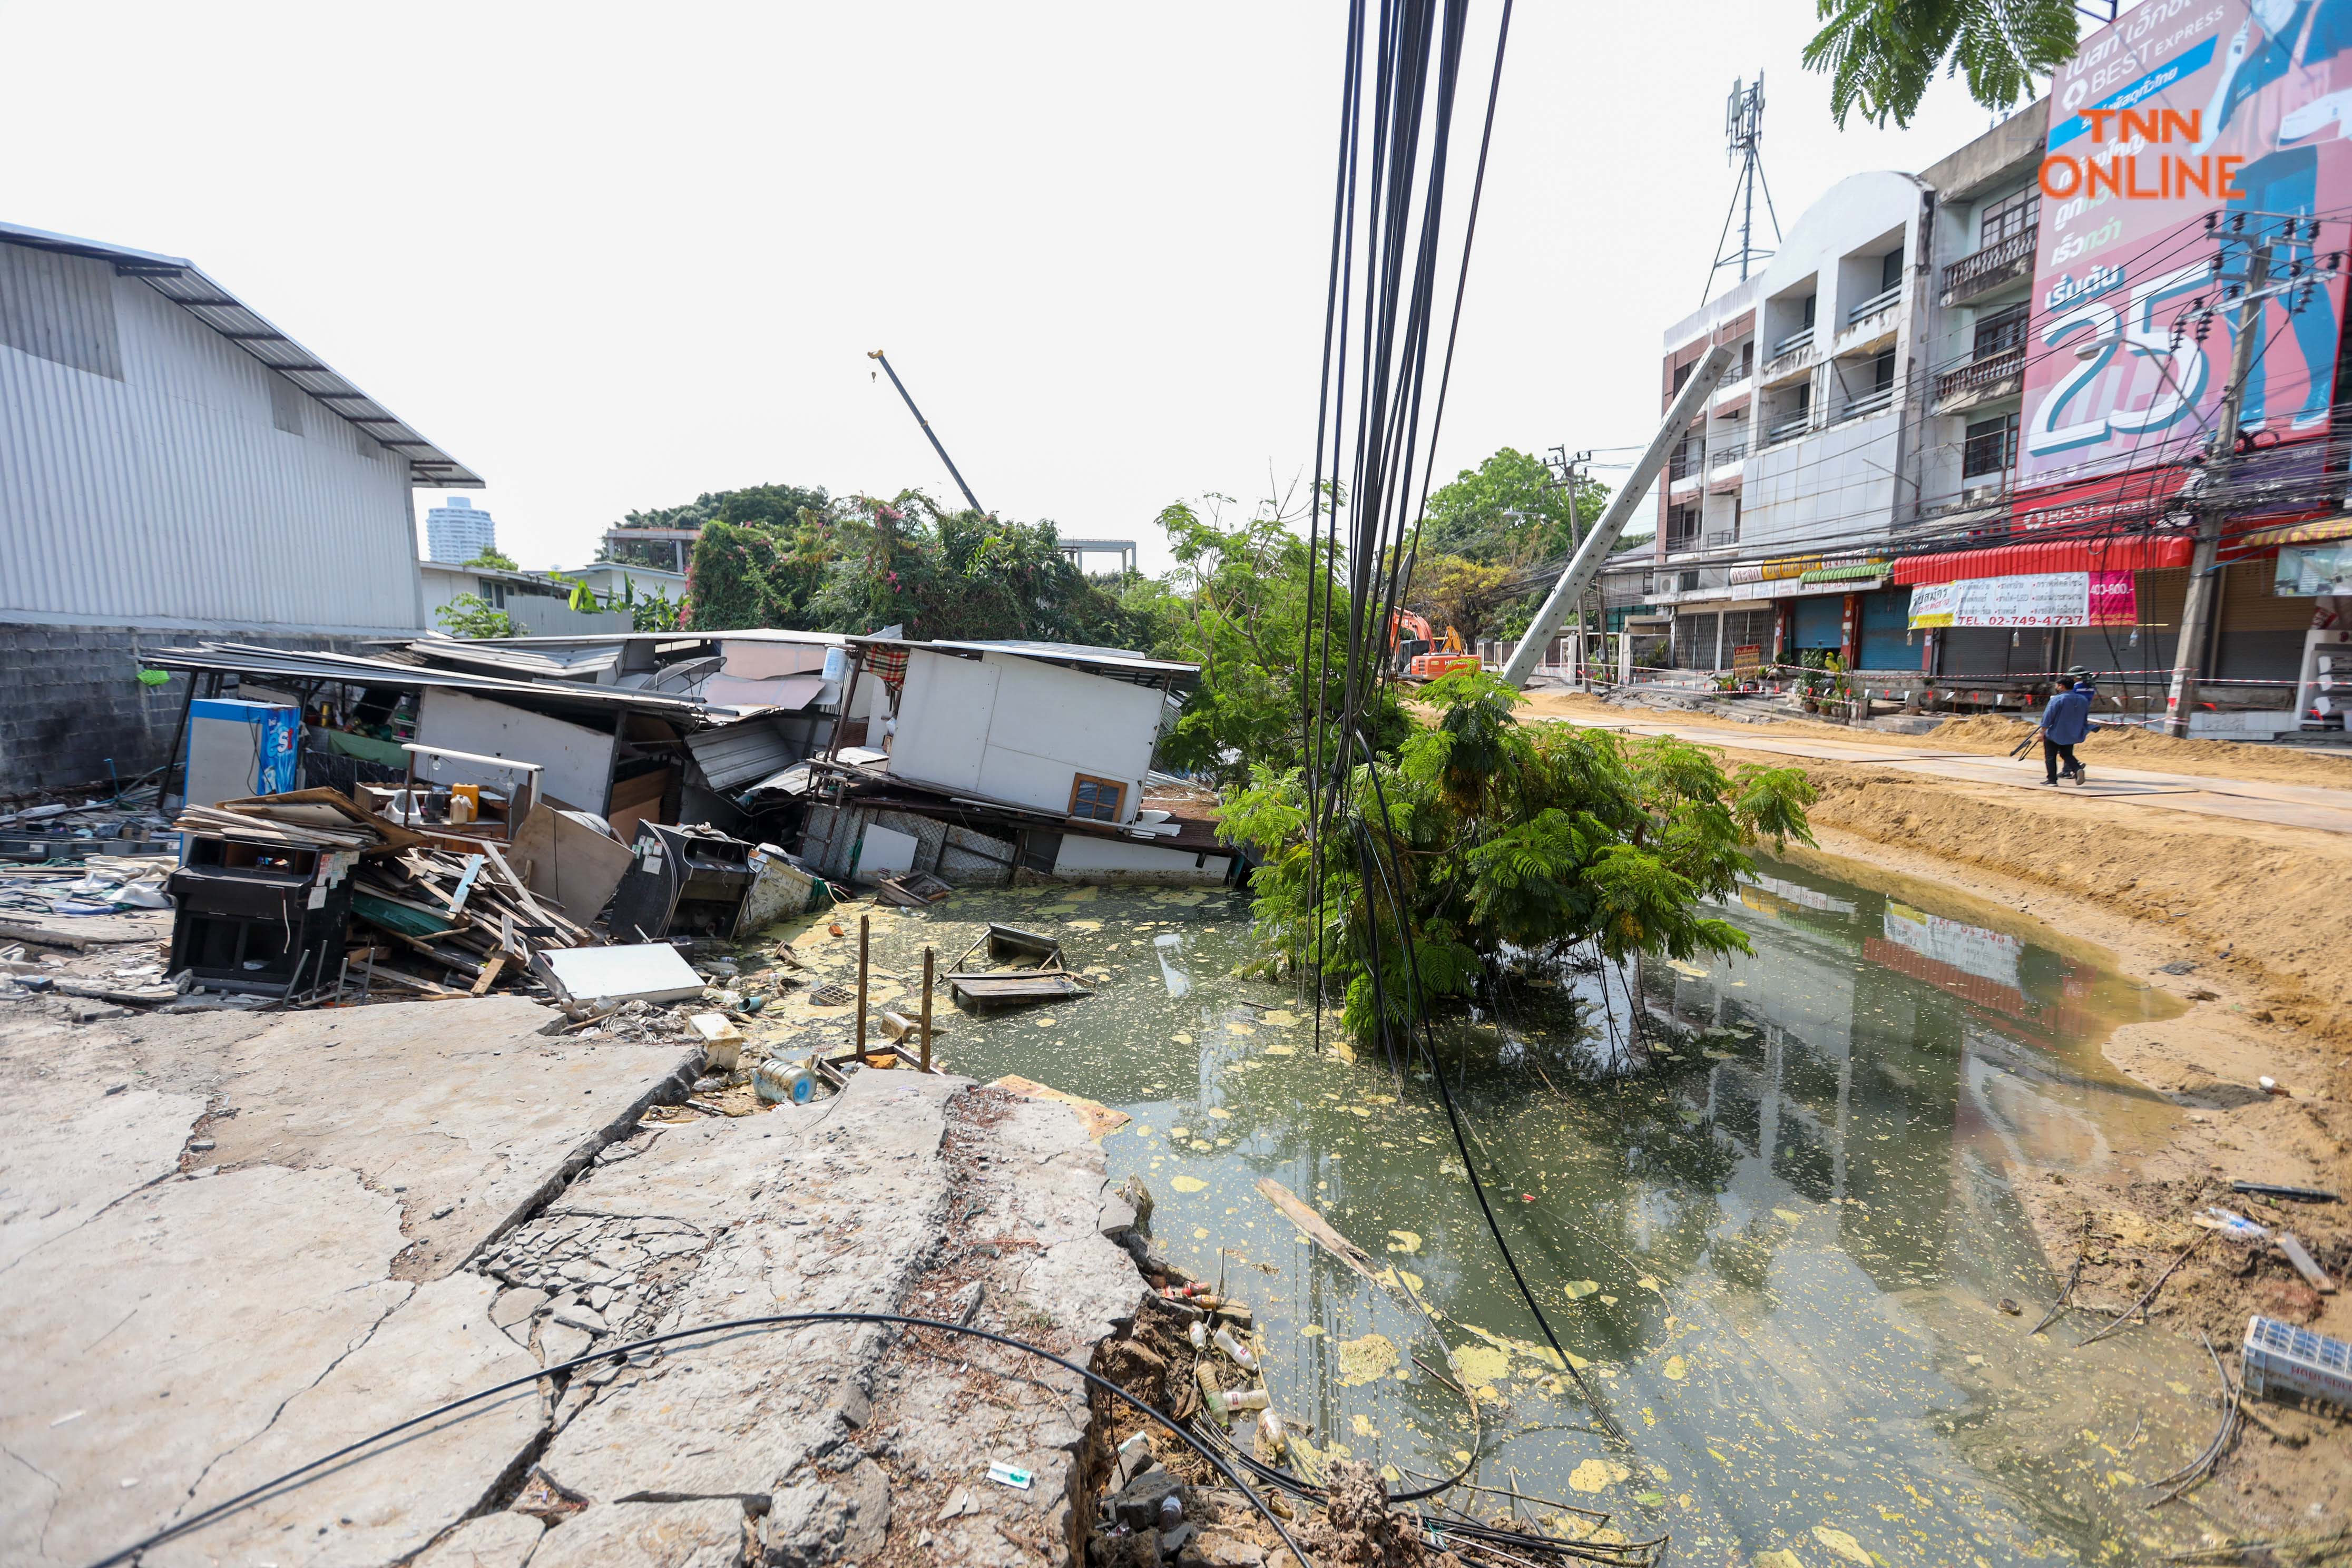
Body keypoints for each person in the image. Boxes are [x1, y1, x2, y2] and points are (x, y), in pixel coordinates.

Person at [2037, 677, 2103, 785]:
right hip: (2072, 732)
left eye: (2057, 685)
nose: (2056, 687)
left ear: (2062, 686)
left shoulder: (2057, 699)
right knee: (2066, 754)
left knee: (2050, 756)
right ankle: (2077, 769)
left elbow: (2048, 716)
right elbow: (2084, 716)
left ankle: (2052, 780)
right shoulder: (2083, 700)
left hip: (2055, 732)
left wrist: (2042, 732)